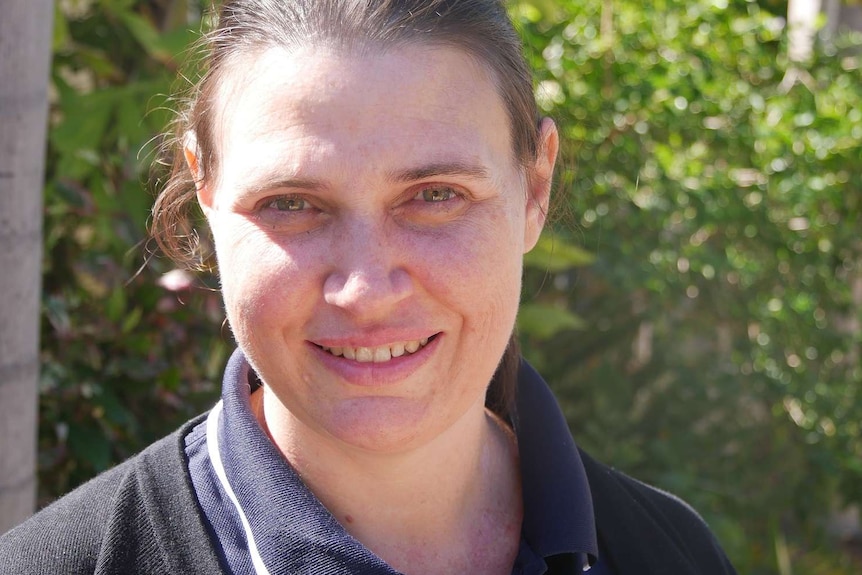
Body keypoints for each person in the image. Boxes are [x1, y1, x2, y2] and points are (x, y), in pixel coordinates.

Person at [0, 1, 737, 573]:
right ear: (206, 192)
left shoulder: (671, 552)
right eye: (291, 203)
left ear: (534, 188)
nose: (366, 289)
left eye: (436, 195)